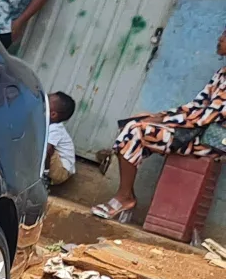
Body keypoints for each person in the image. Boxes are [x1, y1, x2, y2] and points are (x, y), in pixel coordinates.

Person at [92, 25, 226, 222]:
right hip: (192, 134)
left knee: (135, 131)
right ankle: (125, 196)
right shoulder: (221, 74)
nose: (219, 39)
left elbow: (206, 118)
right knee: (135, 123)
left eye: (225, 35)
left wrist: (161, 120)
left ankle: (124, 197)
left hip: (209, 143)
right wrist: (159, 116)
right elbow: (195, 106)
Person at [45, 91, 77, 186]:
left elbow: (47, 151)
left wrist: (45, 172)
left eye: (45, 104)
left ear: (53, 114)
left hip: (62, 170)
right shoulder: (46, 123)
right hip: (58, 165)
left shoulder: (55, 128)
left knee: (44, 148)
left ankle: (44, 178)